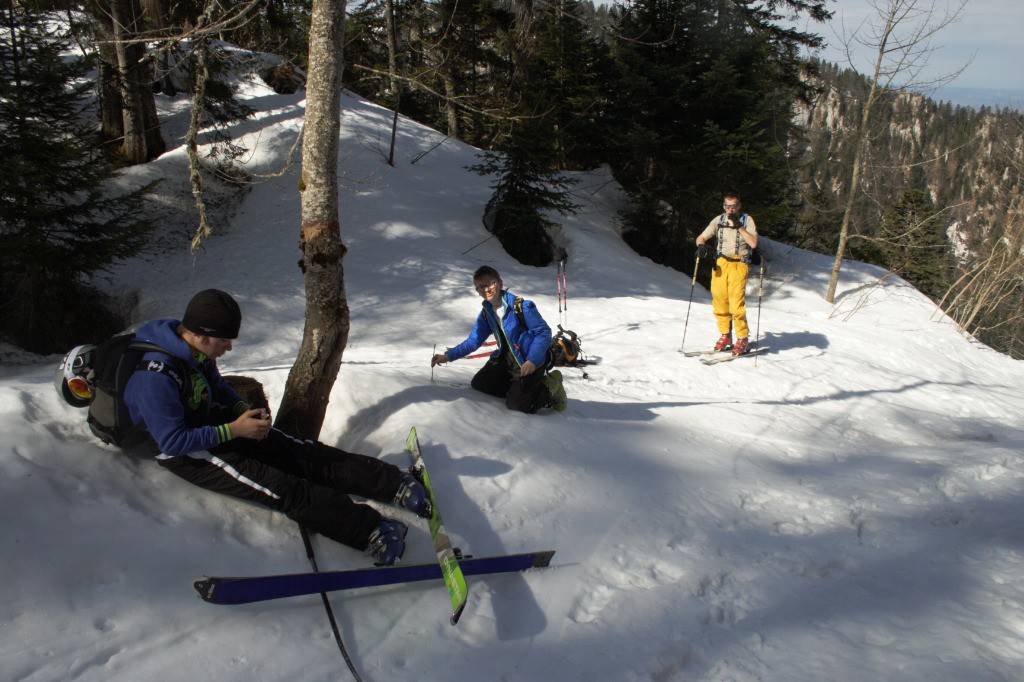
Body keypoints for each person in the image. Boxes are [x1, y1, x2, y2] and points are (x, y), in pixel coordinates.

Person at [123, 289, 429, 565]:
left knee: (298, 451)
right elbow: (173, 441)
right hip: (189, 453)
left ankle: (392, 482)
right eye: (225, 339)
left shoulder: (195, 351)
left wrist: (241, 410)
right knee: (282, 488)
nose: (229, 347)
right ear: (203, 335)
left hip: (210, 422)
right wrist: (234, 430)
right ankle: (370, 531)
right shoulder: (155, 376)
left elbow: (216, 386)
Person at [430, 266, 567, 413]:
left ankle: (551, 385)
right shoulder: (486, 313)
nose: (486, 289)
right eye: (481, 287)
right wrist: (448, 356)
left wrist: (532, 360)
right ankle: (518, 389)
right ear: (477, 291)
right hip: (507, 359)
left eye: (490, 284)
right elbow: (474, 341)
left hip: (530, 360)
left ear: (500, 283)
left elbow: (544, 333)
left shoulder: (521, 306)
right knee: (480, 384)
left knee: (517, 405)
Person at [695, 193, 759, 356]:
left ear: (739, 206)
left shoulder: (747, 220)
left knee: (736, 303)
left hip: (739, 264)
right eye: (727, 206)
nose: (730, 209)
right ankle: (725, 335)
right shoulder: (719, 220)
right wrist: (701, 246)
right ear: (724, 207)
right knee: (719, 301)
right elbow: (701, 237)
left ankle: (742, 338)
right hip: (720, 264)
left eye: (734, 206)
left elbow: (753, 243)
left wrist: (739, 226)